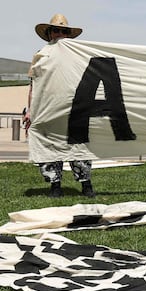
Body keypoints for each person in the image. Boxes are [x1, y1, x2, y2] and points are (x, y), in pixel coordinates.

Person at [24, 14, 95, 198]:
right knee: (49, 146)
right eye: (56, 30)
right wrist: (30, 110)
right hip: (47, 109)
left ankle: (86, 185)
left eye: (64, 31)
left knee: (79, 147)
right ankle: (55, 186)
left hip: (74, 109)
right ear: (49, 33)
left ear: (68, 35)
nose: (59, 34)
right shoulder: (40, 56)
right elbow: (34, 85)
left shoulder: (79, 55)